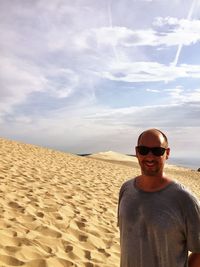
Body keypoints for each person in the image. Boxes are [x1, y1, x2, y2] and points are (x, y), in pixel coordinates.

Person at [118, 128, 200, 267]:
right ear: (137, 152)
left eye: (157, 151)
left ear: (167, 153)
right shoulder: (126, 190)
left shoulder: (185, 200)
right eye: (143, 150)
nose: (150, 156)